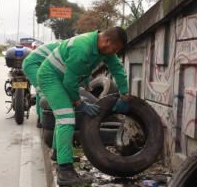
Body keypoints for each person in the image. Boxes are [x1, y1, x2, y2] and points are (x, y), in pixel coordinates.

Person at [37, 27, 129, 185]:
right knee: (66, 117)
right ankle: (65, 171)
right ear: (107, 41)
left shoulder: (103, 50)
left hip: (62, 78)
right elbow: (69, 82)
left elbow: (117, 69)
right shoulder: (82, 48)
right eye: (116, 48)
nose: (115, 52)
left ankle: (58, 153)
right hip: (50, 77)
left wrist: (125, 95)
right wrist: (80, 103)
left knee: (65, 115)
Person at [22, 41, 60, 128]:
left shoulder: (64, 45)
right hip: (32, 65)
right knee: (44, 91)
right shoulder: (65, 49)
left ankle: (40, 118)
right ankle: (44, 122)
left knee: (40, 91)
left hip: (38, 65)